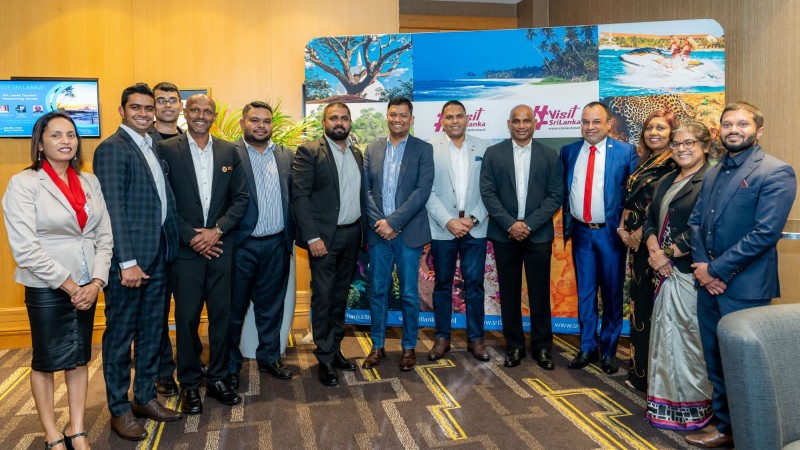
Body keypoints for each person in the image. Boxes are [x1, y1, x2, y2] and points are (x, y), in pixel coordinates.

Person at [685, 102, 796, 448]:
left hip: (745, 286)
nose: (734, 129)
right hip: (708, 283)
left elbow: (764, 234)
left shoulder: (776, 171)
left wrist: (715, 270)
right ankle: (727, 426)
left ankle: (754, 432)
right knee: (716, 358)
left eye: (742, 124)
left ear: (758, 131)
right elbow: (695, 223)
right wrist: (703, 271)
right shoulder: (713, 171)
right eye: (728, 124)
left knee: (747, 367)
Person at [2, 111, 112, 450]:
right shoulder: (24, 183)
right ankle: (52, 433)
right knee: (47, 360)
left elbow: (104, 236)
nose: (66, 141)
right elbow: (25, 248)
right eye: (56, 135)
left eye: (71, 135)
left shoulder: (89, 181)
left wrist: (96, 282)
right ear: (40, 143)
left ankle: (76, 428)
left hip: (87, 283)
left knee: (79, 357)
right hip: (46, 285)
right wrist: (72, 286)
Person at [93, 83, 182, 441]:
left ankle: (144, 397)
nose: (144, 113)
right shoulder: (112, 149)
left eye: (148, 108)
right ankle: (119, 409)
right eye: (136, 108)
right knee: (120, 337)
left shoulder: (151, 146)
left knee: (152, 332)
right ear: (122, 111)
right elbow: (112, 209)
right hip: (129, 263)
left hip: (158, 256)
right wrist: (125, 261)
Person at [156, 94, 249, 414]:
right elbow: (163, 199)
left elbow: (241, 198)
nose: (200, 115)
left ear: (214, 115)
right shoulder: (166, 149)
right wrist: (191, 235)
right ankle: (190, 384)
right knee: (187, 319)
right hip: (186, 252)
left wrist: (217, 230)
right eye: (194, 110)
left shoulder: (229, 151)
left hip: (221, 248)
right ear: (185, 112)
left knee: (222, 317)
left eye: (207, 111)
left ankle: (219, 378)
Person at [480, 105, 563, 369]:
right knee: (509, 293)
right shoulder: (494, 153)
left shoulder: (549, 155)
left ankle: (542, 348)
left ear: (535, 123)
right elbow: (488, 193)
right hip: (504, 235)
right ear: (509, 124)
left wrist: (527, 225)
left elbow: (555, 196)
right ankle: (514, 346)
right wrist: (510, 224)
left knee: (540, 294)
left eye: (526, 121)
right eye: (516, 121)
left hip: (538, 235)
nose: (521, 126)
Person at [643, 122, 713, 430]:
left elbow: (703, 227)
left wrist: (667, 254)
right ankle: (666, 406)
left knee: (688, 342)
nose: (681, 149)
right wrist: (654, 250)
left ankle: (694, 409)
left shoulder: (710, 180)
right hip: (663, 270)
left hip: (688, 273)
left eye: (689, 143)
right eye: (676, 144)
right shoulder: (666, 179)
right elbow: (649, 219)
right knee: (665, 339)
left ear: (704, 146)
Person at [560, 101, 638, 374]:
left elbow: (635, 197)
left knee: (612, 294)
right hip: (581, 233)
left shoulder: (626, 152)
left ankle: (608, 351)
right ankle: (587, 347)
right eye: (585, 122)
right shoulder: (568, 152)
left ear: (608, 124)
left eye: (596, 122)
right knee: (585, 294)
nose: (590, 127)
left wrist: (628, 229)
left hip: (610, 234)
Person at [293, 102, 364, 386]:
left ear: (350, 122)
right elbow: (300, 197)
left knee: (339, 297)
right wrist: (312, 237)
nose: (339, 122)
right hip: (323, 239)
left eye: (344, 118)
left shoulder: (356, 153)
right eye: (333, 118)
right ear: (324, 122)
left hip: (351, 235)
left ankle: (335, 350)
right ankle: (324, 357)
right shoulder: (310, 151)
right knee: (323, 298)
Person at [362, 97, 434, 372]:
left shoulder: (423, 149)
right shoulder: (373, 148)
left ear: (411, 119)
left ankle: (408, 347)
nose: (398, 119)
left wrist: (393, 223)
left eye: (403, 115)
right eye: (393, 114)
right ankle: (377, 346)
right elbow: (365, 190)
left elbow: (421, 192)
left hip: (408, 234)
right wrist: (380, 224)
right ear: (387, 116)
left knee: (409, 295)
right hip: (379, 235)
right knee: (378, 292)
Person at [228, 101, 295, 389]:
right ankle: (230, 365)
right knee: (234, 309)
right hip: (241, 246)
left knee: (271, 307)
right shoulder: (229, 153)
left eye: (266, 121)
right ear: (243, 123)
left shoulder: (285, 155)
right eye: (254, 120)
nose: (261, 126)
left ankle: (269, 357)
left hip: (276, 244)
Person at [425, 100, 491, 362]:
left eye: (459, 116)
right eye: (449, 117)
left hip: (475, 227)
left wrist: (473, 218)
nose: (454, 121)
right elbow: (426, 191)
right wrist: (448, 221)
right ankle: (442, 338)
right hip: (443, 228)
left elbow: (490, 188)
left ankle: (476, 340)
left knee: (475, 285)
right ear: (442, 120)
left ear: (467, 119)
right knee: (442, 284)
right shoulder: (430, 148)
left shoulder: (484, 148)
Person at [618, 110, 678, 391]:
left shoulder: (673, 163)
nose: (654, 132)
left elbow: (660, 207)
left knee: (655, 310)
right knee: (639, 307)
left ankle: (657, 377)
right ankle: (639, 372)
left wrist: (639, 235)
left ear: (672, 133)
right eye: (649, 128)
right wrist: (622, 229)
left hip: (655, 246)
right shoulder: (647, 161)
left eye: (661, 128)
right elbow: (631, 200)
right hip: (636, 247)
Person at [147, 81, 188, 398]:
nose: (167, 105)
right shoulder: (143, 143)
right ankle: (163, 370)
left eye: (172, 100)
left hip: (187, 242)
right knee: (157, 313)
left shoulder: (191, 141)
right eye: (160, 100)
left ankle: (190, 363)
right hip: (155, 243)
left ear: (180, 105)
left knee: (187, 309)